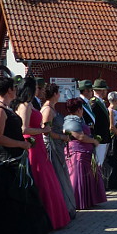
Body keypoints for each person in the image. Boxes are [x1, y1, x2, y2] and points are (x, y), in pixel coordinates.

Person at [0, 77, 52, 234]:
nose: (16, 90)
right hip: (5, 160)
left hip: (14, 157)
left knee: (23, 195)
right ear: (9, 90)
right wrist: (21, 144)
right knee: (12, 198)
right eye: (14, 88)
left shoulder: (6, 108)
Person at [13, 77, 70, 230]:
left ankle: (53, 216)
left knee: (48, 179)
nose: (39, 90)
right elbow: (23, 129)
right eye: (37, 88)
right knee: (41, 179)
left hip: (38, 144)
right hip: (32, 143)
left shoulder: (30, 104)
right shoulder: (24, 106)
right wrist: (43, 130)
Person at [41, 83, 77, 219]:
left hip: (58, 144)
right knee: (58, 174)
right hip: (52, 146)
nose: (59, 95)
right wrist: (62, 136)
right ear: (55, 94)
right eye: (58, 92)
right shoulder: (47, 110)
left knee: (62, 174)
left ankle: (66, 206)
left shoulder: (52, 108)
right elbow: (46, 132)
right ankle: (62, 208)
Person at [64, 98, 107, 209]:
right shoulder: (71, 120)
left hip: (85, 151)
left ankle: (88, 200)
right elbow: (80, 136)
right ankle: (78, 201)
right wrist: (94, 141)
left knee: (87, 176)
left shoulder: (78, 119)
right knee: (79, 177)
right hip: (78, 152)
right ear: (79, 109)